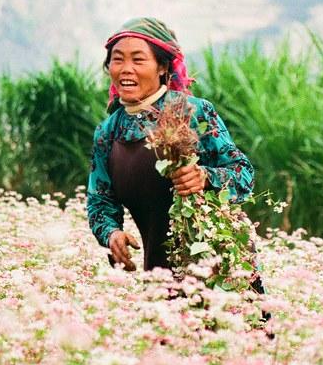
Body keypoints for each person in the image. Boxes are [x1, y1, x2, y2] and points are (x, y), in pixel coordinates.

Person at [86, 17, 255, 273]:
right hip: (159, 277)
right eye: (118, 59)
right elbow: (101, 201)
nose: (126, 68)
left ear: (163, 67)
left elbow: (244, 175)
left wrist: (204, 177)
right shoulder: (108, 133)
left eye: (138, 59)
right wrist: (111, 234)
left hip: (221, 269)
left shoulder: (193, 112)